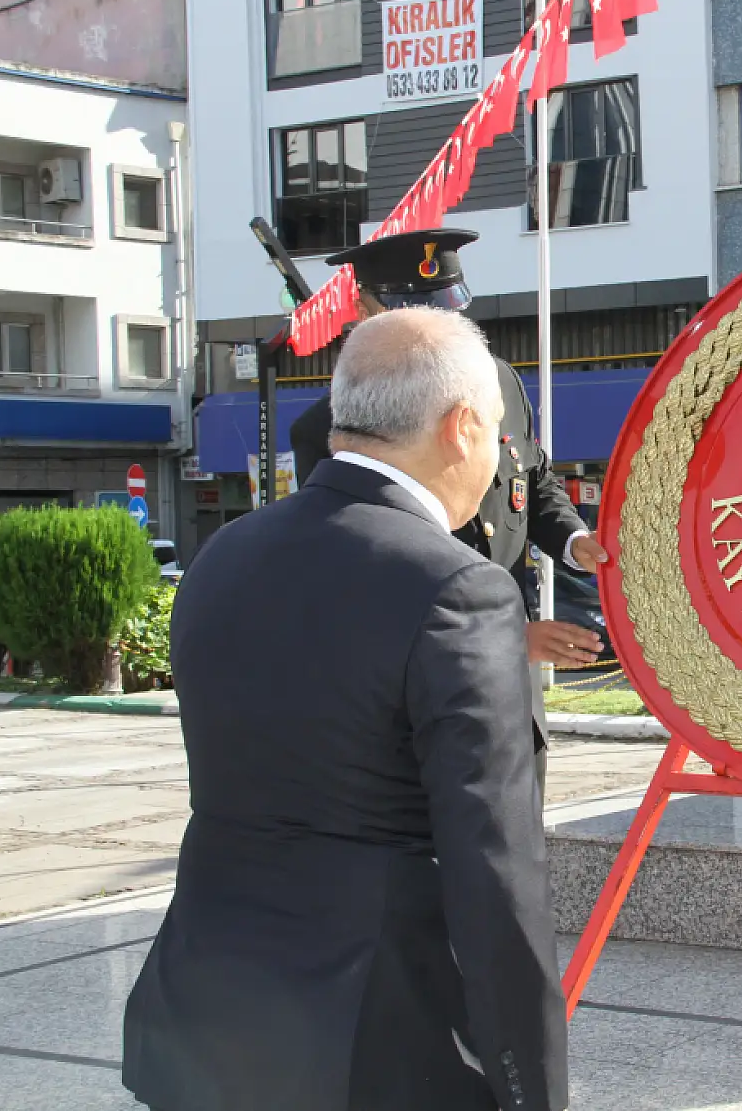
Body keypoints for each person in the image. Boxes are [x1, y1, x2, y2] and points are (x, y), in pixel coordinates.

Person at [123, 307, 568, 1111]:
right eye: (500, 432)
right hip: (375, 1044)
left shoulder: (225, 552)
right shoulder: (459, 587)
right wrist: (531, 1088)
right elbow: (494, 868)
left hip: (199, 1020)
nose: (503, 454)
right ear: (462, 427)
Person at [290, 227, 606, 679]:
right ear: (363, 311)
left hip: (513, 681)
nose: (437, 334)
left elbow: (532, 480)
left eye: (446, 314)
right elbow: (356, 583)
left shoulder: (498, 382)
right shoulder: (332, 427)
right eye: (413, 316)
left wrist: (577, 543)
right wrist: (507, 638)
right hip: (418, 683)